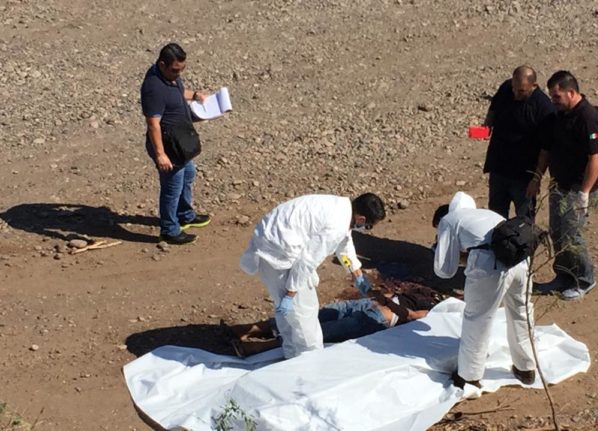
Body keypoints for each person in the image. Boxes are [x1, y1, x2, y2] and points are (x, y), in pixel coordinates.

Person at [239, 193, 386, 358]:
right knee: (304, 317)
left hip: (270, 245)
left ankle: (290, 358)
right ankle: (309, 365)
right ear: (361, 219)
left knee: (287, 314)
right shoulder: (336, 225)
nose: (366, 229)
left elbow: (344, 243)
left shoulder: (340, 208)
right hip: (280, 255)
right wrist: (291, 292)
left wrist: (356, 273)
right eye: (368, 226)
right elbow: (307, 261)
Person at [433, 192, 536, 389]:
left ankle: (469, 375)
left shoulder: (449, 220)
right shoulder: (487, 214)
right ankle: (526, 367)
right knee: (521, 312)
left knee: (478, 319)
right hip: (520, 261)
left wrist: (449, 252)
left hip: (490, 264)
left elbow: (445, 270)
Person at [526, 70, 598, 301]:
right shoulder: (561, 116)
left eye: (557, 96)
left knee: (573, 235)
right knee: (558, 233)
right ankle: (563, 275)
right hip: (559, 185)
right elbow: (548, 149)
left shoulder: (588, 118)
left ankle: (585, 279)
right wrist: (539, 177)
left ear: (571, 93)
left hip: (576, 190)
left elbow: (596, 158)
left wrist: (585, 192)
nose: (553, 101)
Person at [225, 287, 433, 357]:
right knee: (312, 315)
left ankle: (254, 347)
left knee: (318, 330)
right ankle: (248, 329)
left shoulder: (439, 313)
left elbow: (413, 316)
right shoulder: (436, 297)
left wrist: (387, 301)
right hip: (369, 305)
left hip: (378, 318)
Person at [141, 43, 210, 245]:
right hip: (168, 145)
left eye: (182, 69)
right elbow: (153, 124)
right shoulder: (153, 88)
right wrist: (160, 154)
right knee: (172, 186)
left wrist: (195, 95)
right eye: (174, 70)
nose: (178, 74)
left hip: (180, 141)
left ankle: (184, 215)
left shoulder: (169, 77)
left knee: (188, 174)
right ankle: (169, 230)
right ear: (162, 65)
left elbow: (179, 92)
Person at [483, 65, 555, 218]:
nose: (515, 94)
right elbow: (494, 107)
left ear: (534, 86)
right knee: (494, 217)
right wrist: (487, 125)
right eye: (514, 89)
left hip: (523, 177)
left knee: (524, 221)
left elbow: (545, 150)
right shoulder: (506, 88)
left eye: (521, 91)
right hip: (499, 168)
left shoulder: (544, 109)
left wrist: (536, 179)